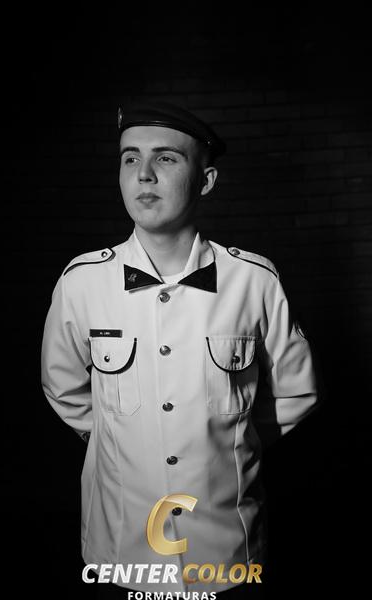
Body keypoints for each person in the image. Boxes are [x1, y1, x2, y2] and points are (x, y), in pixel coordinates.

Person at [41, 102, 318, 597]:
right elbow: (63, 388)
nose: (143, 174)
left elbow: (296, 393)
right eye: (130, 158)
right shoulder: (81, 282)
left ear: (205, 181)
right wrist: (120, 439)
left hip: (227, 550)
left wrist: (230, 443)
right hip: (121, 548)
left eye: (166, 158)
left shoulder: (254, 281)